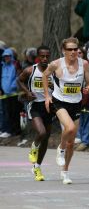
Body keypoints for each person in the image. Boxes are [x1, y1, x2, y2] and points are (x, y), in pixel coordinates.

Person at [42, 37, 89, 184]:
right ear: (64, 51)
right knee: (69, 128)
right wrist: (47, 96)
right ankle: (60, 148)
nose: (73, 52)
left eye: (75, 49)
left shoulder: (84, 64)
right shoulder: (56, 64)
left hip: (75, 103)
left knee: (72, 142)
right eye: (69, 49)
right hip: (59, 102)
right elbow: (45, 76)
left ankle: (65, 172)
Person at [17, 45, 54, 181]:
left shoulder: (53, 71)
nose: (44, 59)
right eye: (42, 56)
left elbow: (60, 86)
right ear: (38, 57)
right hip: (35, 106)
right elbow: (19, 80)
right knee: (42, 133)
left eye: (47, 56)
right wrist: (27, 92)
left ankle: (37, 167)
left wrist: (53, 86)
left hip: (49, 107)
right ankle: (33, 147)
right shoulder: (30, 70)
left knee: (45, 139)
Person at [75, 46, 89, 151]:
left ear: (84, 54)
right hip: (77, 98)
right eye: (76, 53)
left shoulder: (87, 66)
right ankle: (83, 139)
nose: (78, 54)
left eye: (80, 53)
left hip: (88, 97)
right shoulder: (74, 66)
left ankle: (86, 141)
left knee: (88, 118)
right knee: (81, 119)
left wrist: (85, 98)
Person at [0, 48, 21, 138]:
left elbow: (17, 78)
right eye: (5, 57)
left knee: (14, 113)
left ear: (11, 57)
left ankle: (15, 131)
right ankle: (7, 130)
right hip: (4, 94)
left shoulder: (14, 66)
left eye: (8, 56)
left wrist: (12, 87)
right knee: (6, 113)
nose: (7, 58)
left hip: (13, 94)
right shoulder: (3, 67)